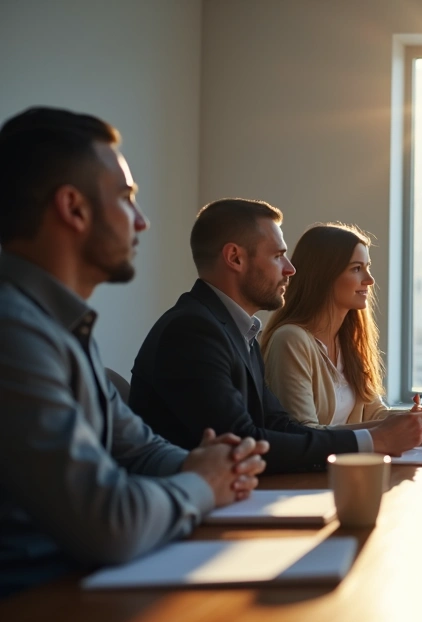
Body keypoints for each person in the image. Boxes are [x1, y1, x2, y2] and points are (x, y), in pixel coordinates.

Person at [0, 107, 269, 596]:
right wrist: (203, 483)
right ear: (74, 209)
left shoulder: (59, 327)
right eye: (126, 198)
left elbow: (140, 449)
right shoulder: (12, 332)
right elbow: (108, 521)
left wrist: (211, 462)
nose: (142, 222)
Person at [128, 199, 422, 474]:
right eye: (277, 256)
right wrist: (376, 440)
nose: (290, 269)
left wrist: (403, 429)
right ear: (235, 258)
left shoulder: (238, 331)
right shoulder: (193, 332)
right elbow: (245, 444)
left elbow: (280, 427)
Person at [261, 223, 422, 427]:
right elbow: (305, 433)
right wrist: (395, 428)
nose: (370, 280)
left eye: (367, 267)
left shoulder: (349, 340)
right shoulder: (290, 340)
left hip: (352, 459)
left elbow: (375, 414)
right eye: (356, 268)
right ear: (323, 275)